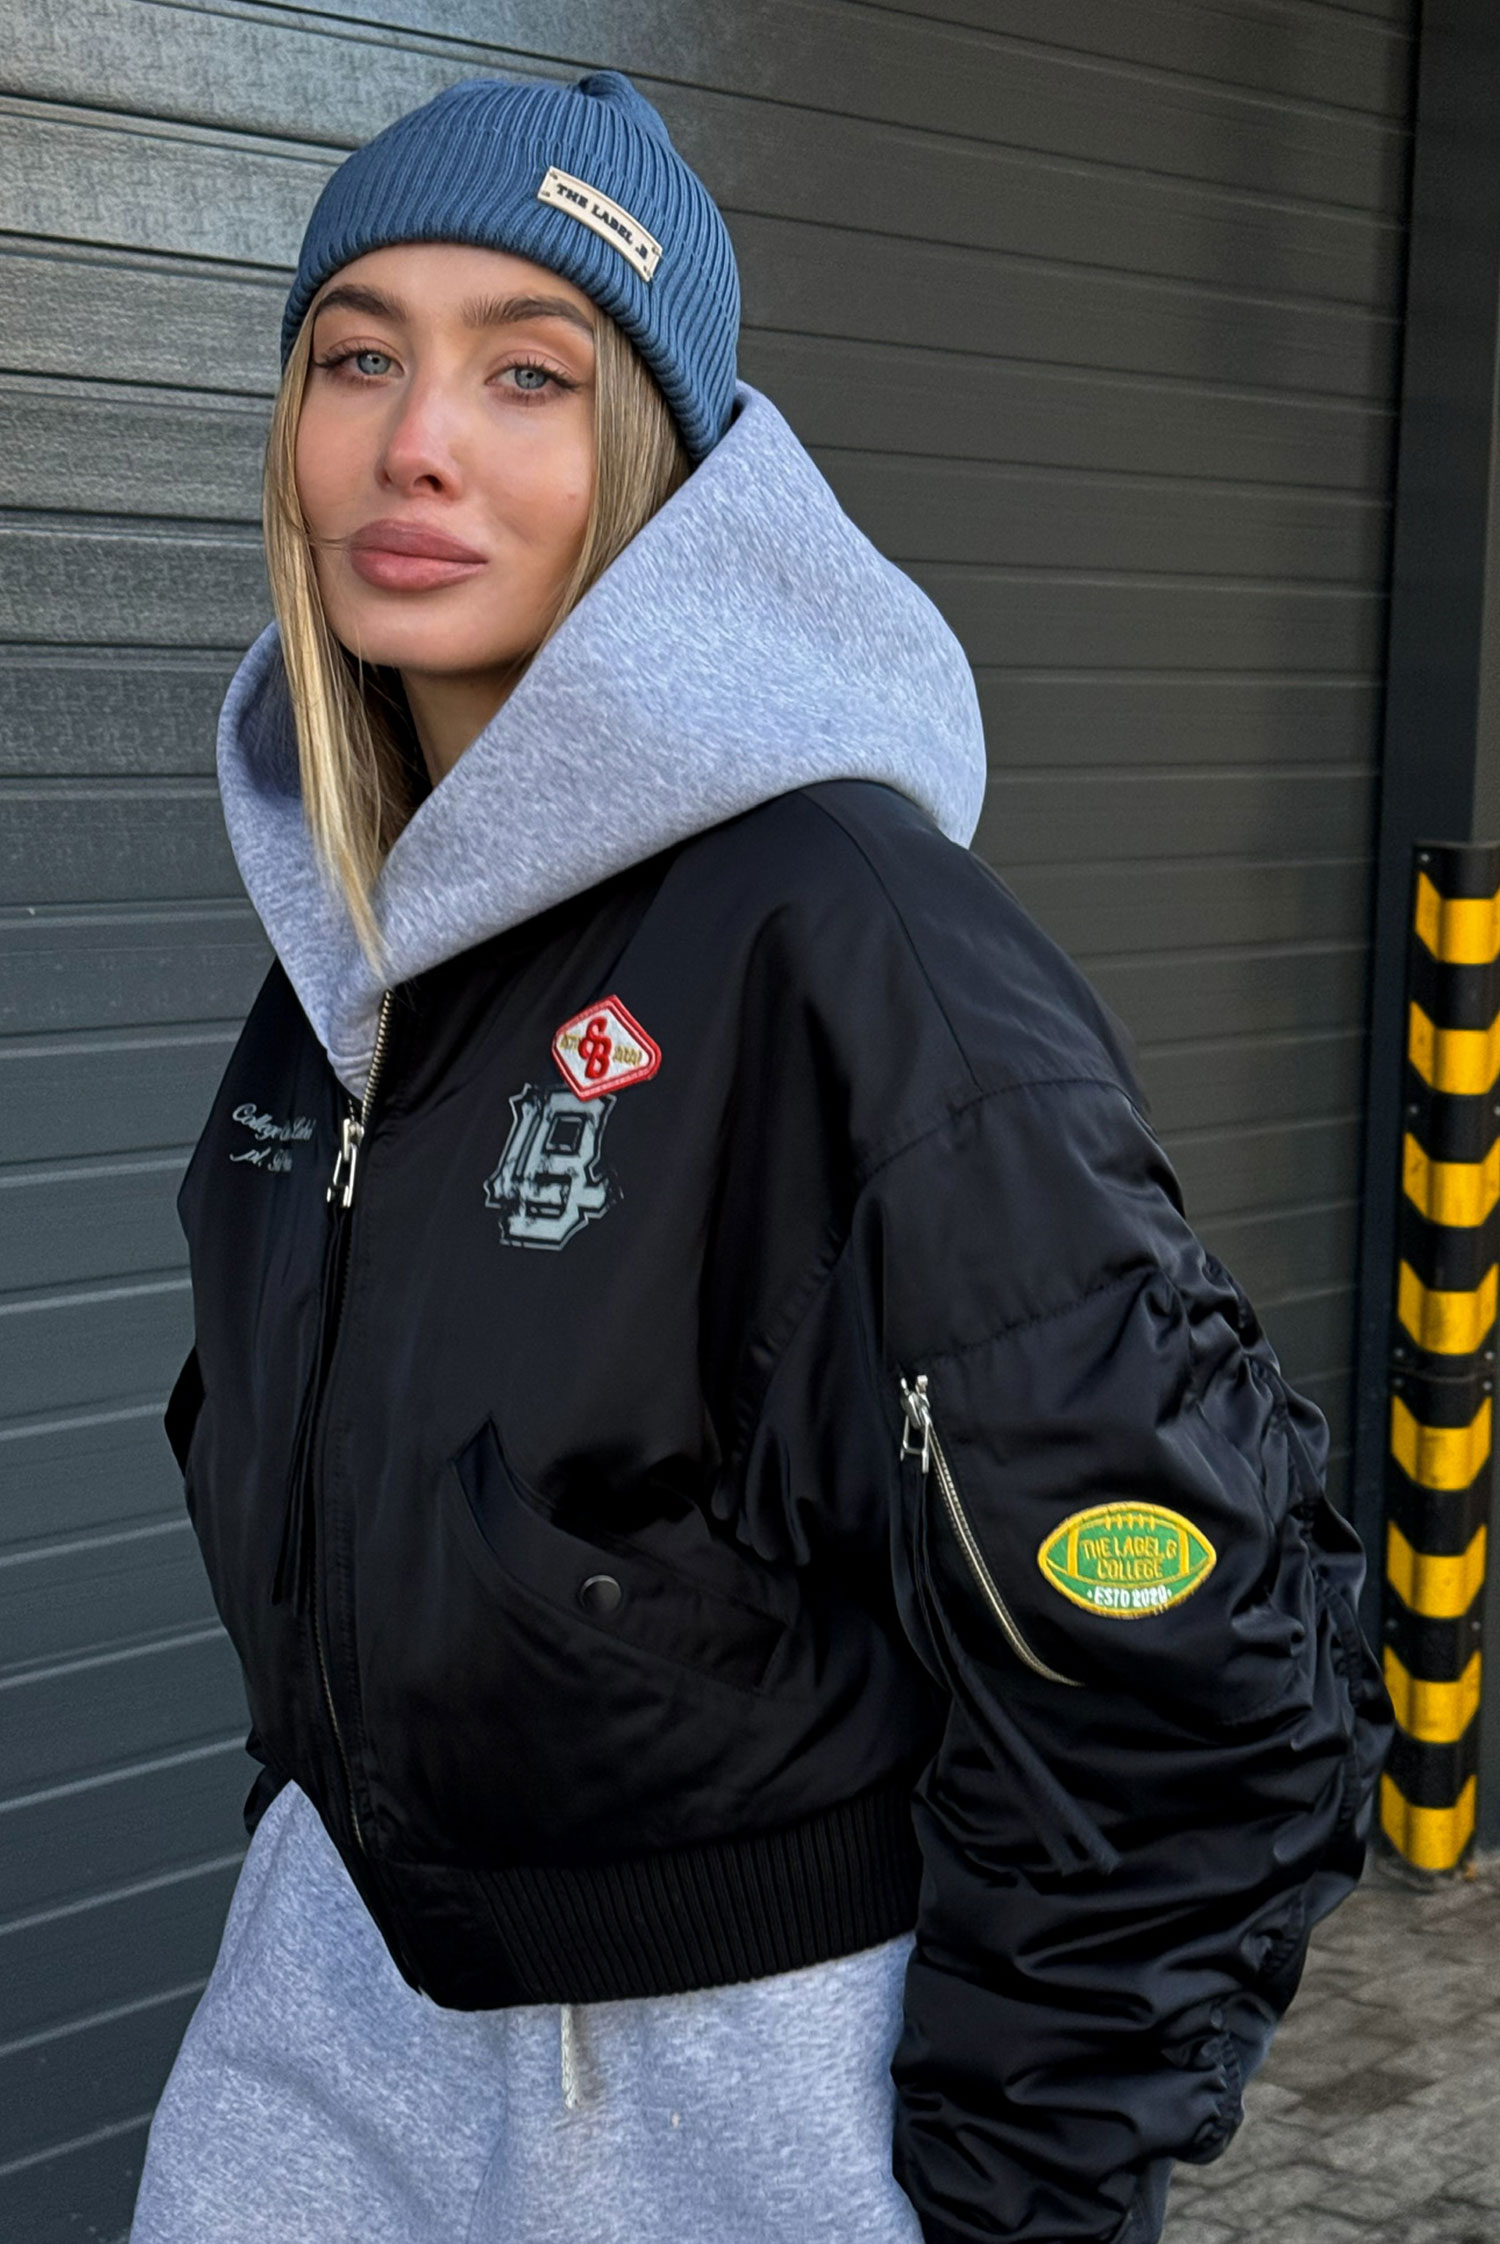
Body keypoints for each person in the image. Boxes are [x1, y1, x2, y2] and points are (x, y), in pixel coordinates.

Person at [128, 68, 1392, 2244]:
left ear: (660, 460)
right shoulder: (345, 954)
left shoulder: (853, 945)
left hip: (718, 2087)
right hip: (330, 2006)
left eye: (529, 372)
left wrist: (1009, 2198)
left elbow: (1196, 1677)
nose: (416, 442)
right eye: (358, 357)